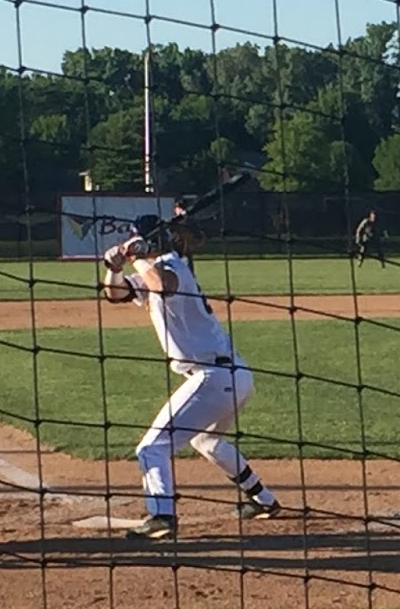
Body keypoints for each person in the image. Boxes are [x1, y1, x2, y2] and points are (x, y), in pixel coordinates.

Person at [101, 213, 280, 540]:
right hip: (231, 376)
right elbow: (115, 295)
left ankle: (161, 516)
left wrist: (137, 258)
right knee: (207, 441)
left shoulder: (172, 267)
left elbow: (161, 284)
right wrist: (113, 268)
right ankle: (263, 500)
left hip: (213, 378)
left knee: (151, 448)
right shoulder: (160, 267)